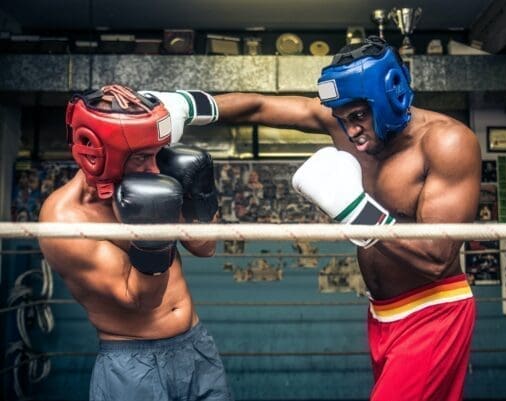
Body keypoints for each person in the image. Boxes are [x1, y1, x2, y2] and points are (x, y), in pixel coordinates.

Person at [151, 36, 481, 401]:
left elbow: (437, 258)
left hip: (433, 312)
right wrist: (184, 105)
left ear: (392, 95)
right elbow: (258, 107)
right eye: (341, 119)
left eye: (358, 117)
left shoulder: (446, 142)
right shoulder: (346, 124)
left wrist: (357, 211)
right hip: (382, 313)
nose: (350, 131)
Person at [38, 85, 232, 401]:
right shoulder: (65, 220)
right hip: (132, 362)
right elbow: (141, 300)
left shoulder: (152, 179)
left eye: (157, 154)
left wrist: (201, 197)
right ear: (101, 155)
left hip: (195, 344)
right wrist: (154, 231)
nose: (155, 169)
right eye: (142, 157)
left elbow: (204, 247)